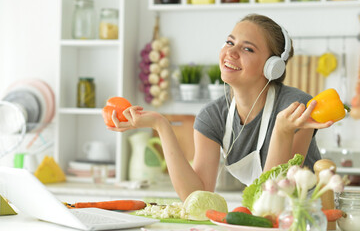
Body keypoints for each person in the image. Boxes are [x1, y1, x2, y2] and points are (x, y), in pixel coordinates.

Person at [109, 14, 333, 201]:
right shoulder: (213, 116)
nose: (231, 53)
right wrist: (161, 125)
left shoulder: (295, 107)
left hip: (310, 215)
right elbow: (198, 194)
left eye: (248, 49)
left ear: (272, 67)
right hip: (265, 216)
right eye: (229, 42)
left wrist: (282, 131)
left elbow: (278, 192)